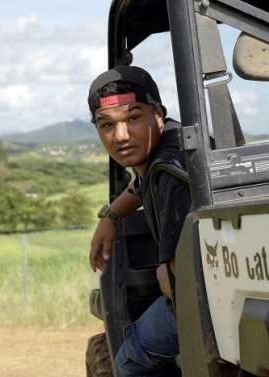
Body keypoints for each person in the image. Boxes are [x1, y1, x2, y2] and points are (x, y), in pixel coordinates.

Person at [87, 65, 191, 377]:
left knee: (130, 360)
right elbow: (138, 184)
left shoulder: (169, 173)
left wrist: (165, 270)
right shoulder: (172, 141)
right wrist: (112, 214)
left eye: (133, 118)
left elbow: (175, 284)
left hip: (199, 300)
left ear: (157, 114)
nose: (120, 136)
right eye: (107, 125)